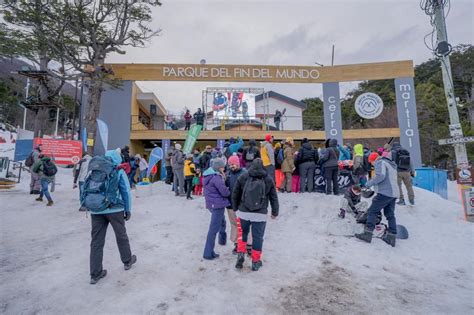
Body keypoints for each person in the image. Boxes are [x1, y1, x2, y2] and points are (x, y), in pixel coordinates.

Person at [82, 150, 136, 284]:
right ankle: (127, 260)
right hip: (115, 209)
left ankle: (95, 273)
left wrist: (86, 204)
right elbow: (125, 191)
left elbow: (84, 187)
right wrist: (128, 209)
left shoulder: (94, 169)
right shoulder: (118, 170)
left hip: (96, 209)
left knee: (96, 241)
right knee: (121, 235)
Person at [231, 159, 279, 271]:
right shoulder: (268, 179)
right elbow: (273, 197)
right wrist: (274, 212)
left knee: (242, 234)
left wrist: (235, 207)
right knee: (258, 238)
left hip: (243, 213)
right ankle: (255, 261)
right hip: (260, 214)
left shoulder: (243, 176)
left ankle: (240, 255)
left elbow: (235, 193)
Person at [355, 152, 399, 247]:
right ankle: (392, 236)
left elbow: (381, 176)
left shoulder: (380, 162)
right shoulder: (390, 164)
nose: (372, 165)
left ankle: (367, 234)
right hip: (393, 193)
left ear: (373, 160)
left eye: (371, 162)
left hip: (385, 193)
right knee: (390, 214)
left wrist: (369, 184)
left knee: (372, 211)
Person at [202, 158, 230, 260]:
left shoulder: (208, 175)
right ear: (219, 167)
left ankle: (222, 240)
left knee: (222, 222)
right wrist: (229, 190)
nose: (224, 168)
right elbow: (224, 192)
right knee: (213, 229)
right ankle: (208, 253)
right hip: (217, 205)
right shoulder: (216, 178)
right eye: (222, 167)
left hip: (212, 204)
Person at [225, 155, 249, 255]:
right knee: (234, 224)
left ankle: (245, 244)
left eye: (233, 164)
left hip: (241, 205)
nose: (232, 166)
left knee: (243, 226)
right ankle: (236, 244)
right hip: (230, 204)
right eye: (230, 165)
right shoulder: (228, 174)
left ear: (238, 163)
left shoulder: (244, 173)